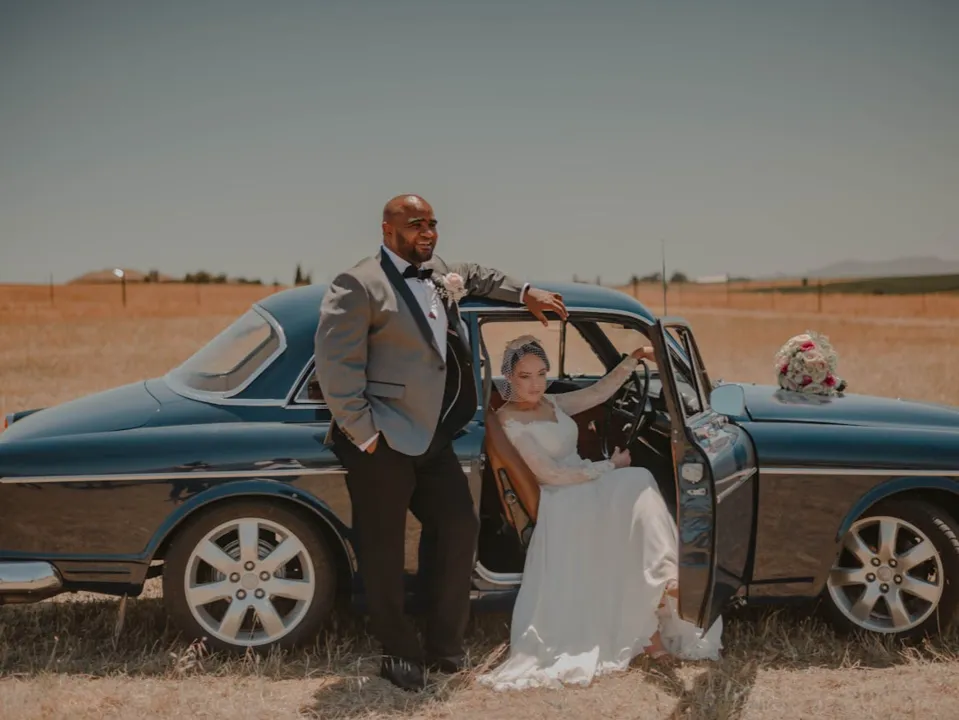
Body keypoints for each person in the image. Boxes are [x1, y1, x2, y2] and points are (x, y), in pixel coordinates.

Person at [314, 194, 568, 692]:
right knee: (383, 547)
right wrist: (366, 435)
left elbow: (478, 276)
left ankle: (445, 647)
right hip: (382, 439)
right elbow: (336, 365)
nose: (427, 232)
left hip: (433, 436)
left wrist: (527, 293)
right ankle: (397, 651)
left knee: (458, 527)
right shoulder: (358, 283)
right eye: (416, 224)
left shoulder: (440, 272)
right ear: (388, 230)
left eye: (432, 223)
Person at [477, 335, 722, 691]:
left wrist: (634, 358)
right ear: (509, 378)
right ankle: (663, 585)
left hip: (582, 482)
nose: (535, 384)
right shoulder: (509, 421)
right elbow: (551, 474)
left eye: (541, 374)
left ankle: (665, 583)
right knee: (634, 479)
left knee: (637, 484)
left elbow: (598, 394)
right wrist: (610, 466)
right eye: (525, 376)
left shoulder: (552, 402)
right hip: (560, 498)